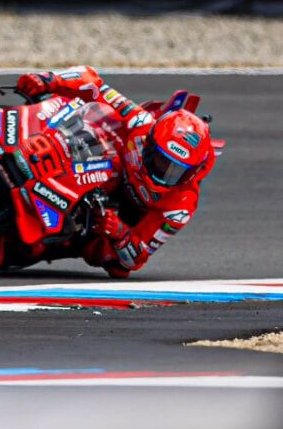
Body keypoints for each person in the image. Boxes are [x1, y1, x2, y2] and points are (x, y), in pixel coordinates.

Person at [15, 66, 216, 277]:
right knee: (59, 104)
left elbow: (135, 260)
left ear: (192, 174)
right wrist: (49, 79)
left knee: (106, 258)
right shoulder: (141, 123)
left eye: (175, 171)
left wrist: (120, 233)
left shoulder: (180, 207)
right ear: (149, 144)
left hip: (109, 216)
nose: (164, 173)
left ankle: (53, 234)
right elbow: (94, 84)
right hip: (88, 164)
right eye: (160, 161)